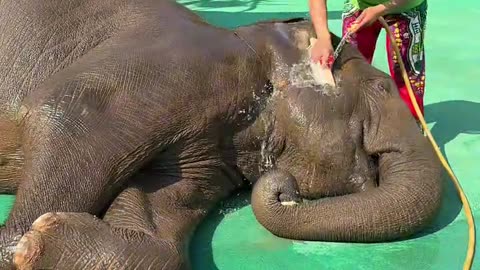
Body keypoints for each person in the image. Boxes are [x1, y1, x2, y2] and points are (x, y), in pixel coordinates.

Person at [309, 0, 428, 122]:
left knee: (406, 75)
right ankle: (356, 122)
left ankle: (411, 127)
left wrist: (379, 10)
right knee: (351, 71)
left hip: (405, 7)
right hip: (359, 6)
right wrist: (323, 37)